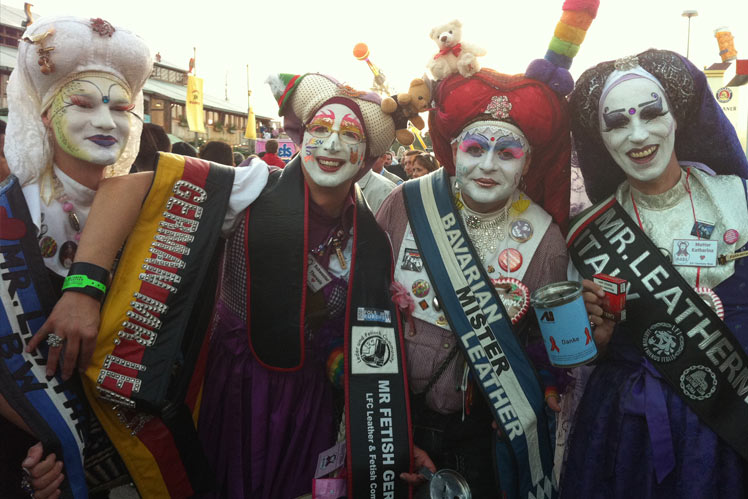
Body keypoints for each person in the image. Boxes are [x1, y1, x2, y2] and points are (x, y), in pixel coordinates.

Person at [32, 73, 414, 498]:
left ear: (367, 159)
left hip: (314, 411)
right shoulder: (252, 185)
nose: (331, 145)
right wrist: (82, 291)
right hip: (235, 395)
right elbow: (123, 190)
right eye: (320, 129)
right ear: (301, 136)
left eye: (350, 135)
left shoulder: (372, 237)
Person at [377, 65, 573, 497]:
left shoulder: (545, 238)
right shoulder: (407, 204)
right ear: (452, 150)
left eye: (507, 153)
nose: (487, 165)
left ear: (528, 164)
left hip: (484, 431)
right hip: (393, 415)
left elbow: (548, 343)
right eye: (474, 148)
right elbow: (364, 307)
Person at [562, 49, 748, 498]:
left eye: (651, 113)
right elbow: (577, 353)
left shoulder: (737, 199)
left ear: (677, 118)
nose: (638, 134)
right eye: (618, 123)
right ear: (601, 138)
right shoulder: (590, 234)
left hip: (734, 413)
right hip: (629, 428)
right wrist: (596, 341)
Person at [0, 15, 152, 497]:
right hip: (35, 449)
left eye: (122, 108)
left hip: (136, 451)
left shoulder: (154, 204)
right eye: (82, 104)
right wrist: (38, 443)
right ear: (44, 113)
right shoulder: (11, 213)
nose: (107, 123)